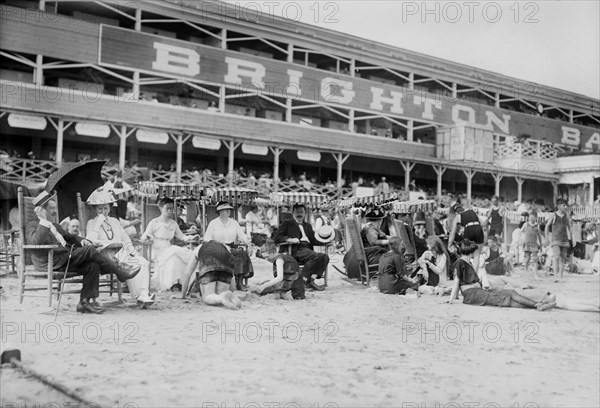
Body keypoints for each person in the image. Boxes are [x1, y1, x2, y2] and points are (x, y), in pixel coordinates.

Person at [26, 191, 141, 314]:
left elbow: (71, 237)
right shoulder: (32, 225)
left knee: (93, 266)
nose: (55, 211)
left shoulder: (55, 225)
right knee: (90, 250)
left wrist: (83, 241)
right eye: (51, 209)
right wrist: (43, 221)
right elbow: (35, 243)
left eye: (55, 208)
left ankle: (84, 302)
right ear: (41, 210)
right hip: (50, 261)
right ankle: (120, 271)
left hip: (65, 259)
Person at [85, 188, 154, 306]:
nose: (103, 211)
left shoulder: (114, 221)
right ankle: (139, 295)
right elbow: (89, 241)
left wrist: (133, 252)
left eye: (105, 208)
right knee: (129, 264)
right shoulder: (92, 223)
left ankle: (143, 294)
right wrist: (98, 223)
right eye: (100, 208)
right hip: (103, 256)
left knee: (143, 262)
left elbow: (125, 238)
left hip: (120, 253)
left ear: (110, 208)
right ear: (95, 209)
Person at [448, 239, 554, 310]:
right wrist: (450, 301)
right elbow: (456, 283)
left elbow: (459, 283)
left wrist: (456, 297)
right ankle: (537, 305)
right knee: (510, 294)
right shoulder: (460, 262)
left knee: (507, 299)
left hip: (476, 292)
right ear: (470, 251)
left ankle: (538, 305)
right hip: (473, 294)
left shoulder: (467, 262)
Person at [140, 197, 194, 291]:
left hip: (168, 248)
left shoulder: (173, 223)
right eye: (167, 209)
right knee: (174, 252)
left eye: (171, 209)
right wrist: (148, 237)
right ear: (161, 208)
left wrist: (191, 237)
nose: (170, 211)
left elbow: (181, 236)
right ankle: (171, 284)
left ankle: (177, 283)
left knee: (175, 256)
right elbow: (145, 235)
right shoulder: (154, 222)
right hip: (157, 250)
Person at [273, 203, 330, 291]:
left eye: (301, 212)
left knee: (325, 257)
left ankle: (310, 280)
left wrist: (326, 241)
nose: (299, 214)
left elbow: (314, 240)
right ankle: (303, 280)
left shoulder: (308, 226)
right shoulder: (287, 223)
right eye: (297, 212)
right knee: (315, 256)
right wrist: (289, 239)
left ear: (304, 213)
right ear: (293, 213)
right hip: (295, 249)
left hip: (307, 249)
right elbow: (276, 238)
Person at [204, 201, 254, 290]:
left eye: (229, 210)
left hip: (231, 248)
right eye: (225, 210)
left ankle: (239, 282)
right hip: (217, 248)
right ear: (220, 212)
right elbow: (206, 238)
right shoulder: (213, 223)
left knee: (242, 254)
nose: (228, 212)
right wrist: (217, 244)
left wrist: (249, 245)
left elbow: (242, 236)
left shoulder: (234, 223)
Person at [180, 240, 241, 309]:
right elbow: (231, 271)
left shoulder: (197, 249)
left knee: (208, 297)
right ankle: (226, 295)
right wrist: (231, 290)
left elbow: (187, 275)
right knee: (220, 294)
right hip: (226, 266)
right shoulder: (225, 247)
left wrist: (183, 296)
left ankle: (220, 298)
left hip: (209, 263)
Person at [448, 203, 485, 278]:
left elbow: (453, 232)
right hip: (478, 228)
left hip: (469, 229)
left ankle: (466, 275)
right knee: (477, 255)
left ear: (456, 212)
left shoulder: (458, 216)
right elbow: (483, 223)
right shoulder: (472, 211)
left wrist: (450, 244)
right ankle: (474, 276)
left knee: (466, 254)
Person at [545, 198, 575, 280]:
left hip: (564, 240)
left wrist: (572, 238)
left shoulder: (566, 216)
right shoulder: (553, 215)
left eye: (566, 205)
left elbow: (569, 227)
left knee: (563, 258)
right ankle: (555, 276)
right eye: (563, 205)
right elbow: (547, 226)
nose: (565, 207)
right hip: (555, 239)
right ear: (558, 206)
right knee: (556, 256)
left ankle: (561, 276)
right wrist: (546, 238)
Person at [520, 211, 544, 277]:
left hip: (534, 244)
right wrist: (521, 240)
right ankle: (525, 269)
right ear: (528, 218)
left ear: (536, 218)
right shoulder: (526, 224)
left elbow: (539, 236)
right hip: (527, 243)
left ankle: (535, 273)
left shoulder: (537, 226)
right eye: (530, 217)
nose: (532, 218)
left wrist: (541, 245)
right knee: (527, 258)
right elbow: (521, 231)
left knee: (535, 259)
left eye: (533, 217)